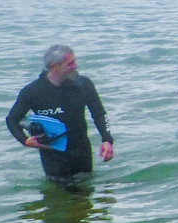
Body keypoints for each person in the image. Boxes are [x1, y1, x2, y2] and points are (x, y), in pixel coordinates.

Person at [6, 45, 115, 180]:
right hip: (53, 157)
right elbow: (12, 120)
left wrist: (107, 140)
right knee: (58, 194)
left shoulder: (83, 84)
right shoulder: (33, 91)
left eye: (74, 61)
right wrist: (25, 140)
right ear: (54, 66)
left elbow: (99, 114)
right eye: (70, 63)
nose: (76, 66)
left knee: (85, 191)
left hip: (81, 152)